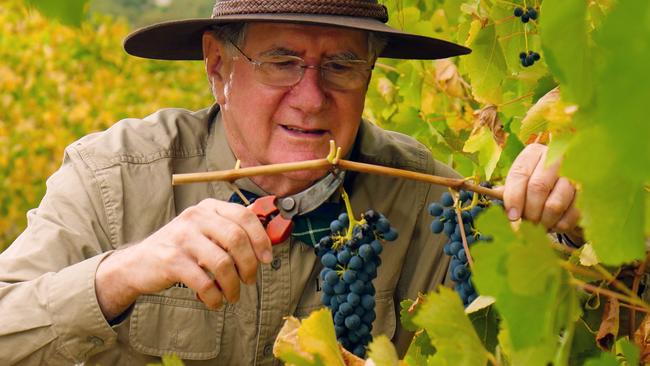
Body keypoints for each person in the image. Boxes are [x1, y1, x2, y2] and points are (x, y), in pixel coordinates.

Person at [0, 0, 580, 364]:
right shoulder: (113, 177)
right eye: (281, 61)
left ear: (370, 72)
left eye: (341, 65)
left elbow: (558, 333)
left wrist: (572, 230)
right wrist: (118, 275)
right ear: (217, 66)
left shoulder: (434, 199)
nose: (310, 97)